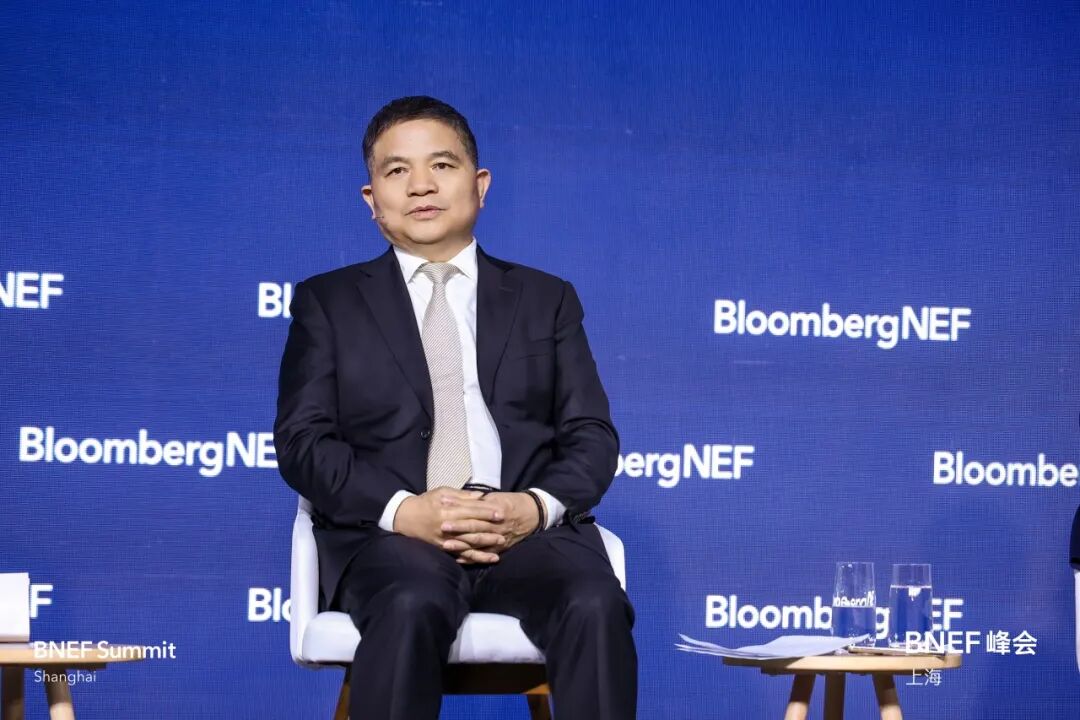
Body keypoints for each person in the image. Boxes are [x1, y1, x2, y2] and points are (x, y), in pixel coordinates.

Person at [274, 95, 637, 720]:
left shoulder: (546, 298)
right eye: (397, 170)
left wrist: (532, 507)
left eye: (441, 165)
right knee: (410, 601)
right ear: (372, 199)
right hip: (389, 539)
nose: (421, 185)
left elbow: (591, 435)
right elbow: (304, 443)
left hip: (526, 533)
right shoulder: (327, 302)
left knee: (594, 601)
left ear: (480, 184)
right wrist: (404, 511)